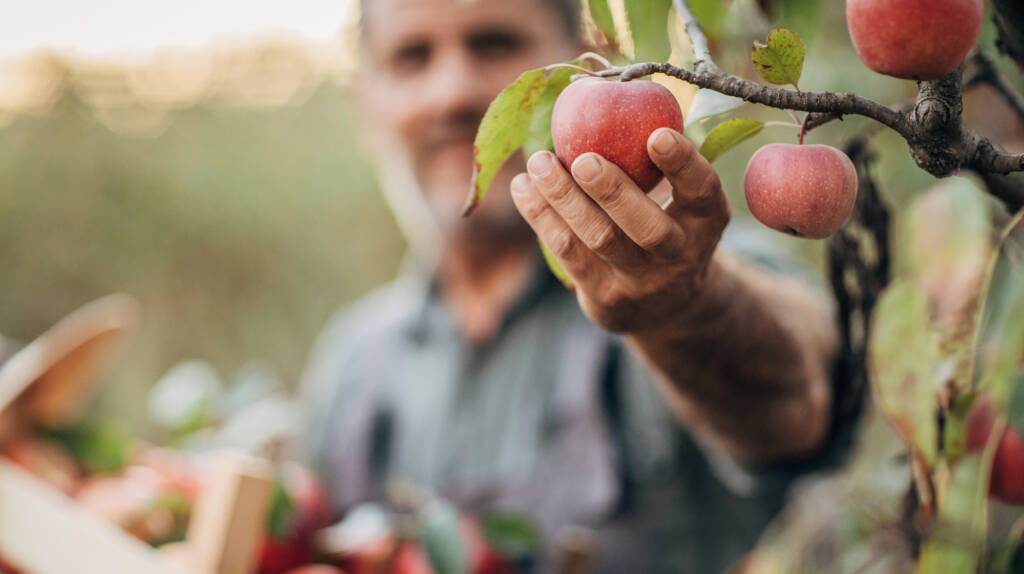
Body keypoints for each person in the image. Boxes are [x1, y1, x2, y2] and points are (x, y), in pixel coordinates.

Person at [301, 0, 846, 571]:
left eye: (495, 44)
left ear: (591, 64)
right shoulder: (350, 367)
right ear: (363, 104)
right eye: (413, 58)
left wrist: (685, 311)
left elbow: (799, 401)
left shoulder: (695, 259)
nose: (454, 93)